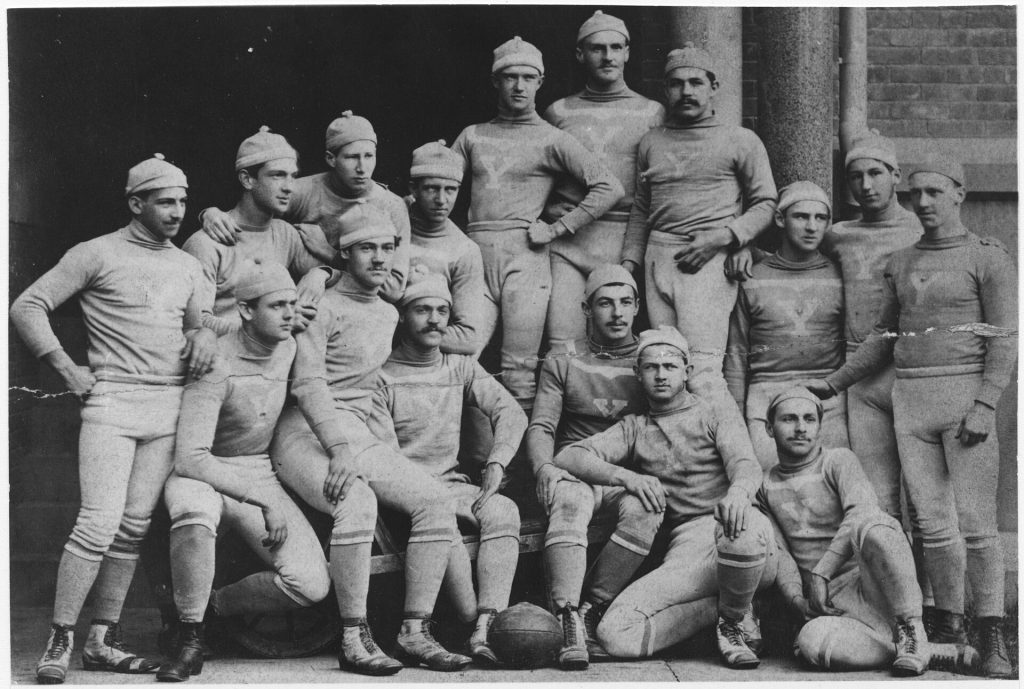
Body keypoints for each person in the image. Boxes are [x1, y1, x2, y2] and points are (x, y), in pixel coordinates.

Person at [807, 153, 1017, 677]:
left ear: (960, 194)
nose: (922, 203)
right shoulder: (900, 261)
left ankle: (991, 629)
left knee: (977, 525)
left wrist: (986, 403)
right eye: (915, 195)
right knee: (931, 523)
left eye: (934, 193)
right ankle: (948, 626)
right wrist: (832, 383)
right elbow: (883, 336)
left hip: (964, 400)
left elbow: (1006, 337)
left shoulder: (988, 257)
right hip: (911, 403)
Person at [11, 155, 217, 684]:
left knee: (131, 529)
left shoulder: (188, 265)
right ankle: (61, 639)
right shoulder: (96, 253)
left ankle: (103, 641)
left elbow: (199, 325)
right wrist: (65, 367)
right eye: (165, 201)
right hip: (112, 402)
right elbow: (27, 307)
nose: (177, 211)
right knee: (97, 521)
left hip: (168, 406)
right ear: (136, 203)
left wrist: (204, 333)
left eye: (182, 201)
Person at [270, 201, 471, 671]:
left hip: (355, 432)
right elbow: (307, 384)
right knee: (356, 501)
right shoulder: (318, 306)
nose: (379, 258)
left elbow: (368, 391)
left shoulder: (387, 311)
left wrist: (372, 448)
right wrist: (339, 451)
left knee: (434, 500)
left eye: (387, 248)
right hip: (305, 431)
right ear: (344, 253)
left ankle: (414, 631)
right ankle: (353, 636)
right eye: (366, 249)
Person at [158, 263, 384, 680]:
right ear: (245, 311)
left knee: (311, 586)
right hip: (205, 472)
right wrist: (262, 499)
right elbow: (190, 458)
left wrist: (339, 450)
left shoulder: (289, 346)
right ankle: (189, 638)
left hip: (256, 469)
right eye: (277, 305)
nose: (289, 314)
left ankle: (210, 606)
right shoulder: (215, 361)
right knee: (194, 515)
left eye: (291, 305)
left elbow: (312, 389)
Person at [554, 326, 772, 668]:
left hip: (738, 534)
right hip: (688, 548)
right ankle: (727, 611)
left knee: (742, 533)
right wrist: (626, 476)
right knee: (615, 634)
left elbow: (745, 464)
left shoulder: (714, 413)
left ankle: (732, 623)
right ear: (638, 374)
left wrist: (739, 495)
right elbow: (569, 456)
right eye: (651, 367)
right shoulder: (635, 427)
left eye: (670, 367)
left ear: (687, 372)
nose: (660, 374)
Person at [451, 35, 623, 412]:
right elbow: (440, 184)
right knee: (463, 354)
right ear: (495, 81)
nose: (518, 85)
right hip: (475, 258)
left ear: (539, 82)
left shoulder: (551, 138)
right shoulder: (472, 136)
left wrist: (558, 228)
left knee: (519, 367)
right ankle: (482, 457)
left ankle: (521, 468)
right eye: (509, 76)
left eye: (528, 77)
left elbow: (609, 186)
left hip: (525, 260)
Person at [755, 387, 978, 675]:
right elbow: (781, 552)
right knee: (813, 646)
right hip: (830, 605)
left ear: (820, 426)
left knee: (874, 524)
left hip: (874, 588)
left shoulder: (837, 461)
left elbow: (861, 511)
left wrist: (821, 572)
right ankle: (923, 651)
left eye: (809, 419)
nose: (800, 428)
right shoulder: (764, 486)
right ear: (769, 428)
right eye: (789, 419)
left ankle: (911, 631)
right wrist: (798, 600)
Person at [369, 270, 527, 664]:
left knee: (503, 509)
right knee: (453, 557)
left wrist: (496, 460)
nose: (435, 319)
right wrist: (433, 496)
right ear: (402, 317)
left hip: (454, 487)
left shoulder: (460, 367)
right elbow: (387, 459)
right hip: (409, 496)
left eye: (443, 310)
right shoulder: (381, 377)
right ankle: (470, 619)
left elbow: (510, 411)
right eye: (422, 310)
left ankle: (486, 626)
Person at [622, 42, 777, 409]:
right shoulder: (651, 142)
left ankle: (725, 457)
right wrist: (630, 264)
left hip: (707, 261)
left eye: (696, 82)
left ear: (714, 88)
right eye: (676, 84)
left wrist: (727, 238)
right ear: (666, 90)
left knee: (704, 369)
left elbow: (766, 203)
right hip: (658, 258)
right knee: (665, 364)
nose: (686, 91)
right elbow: (642, 207)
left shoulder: (739, 139)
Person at [525, 264, 658, 669]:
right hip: (574, 470)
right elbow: (542, 425)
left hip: (628, 475)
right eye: (605, 303)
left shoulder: (653, 358)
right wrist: (544, 468)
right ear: (587, 308)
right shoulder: (563, 357)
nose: (616, 313)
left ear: (637, 306)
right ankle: (566, 617)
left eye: (625, 302)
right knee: (569, 504)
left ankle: (591, 609)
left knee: (646, 509)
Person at [542, 11, 664, 351]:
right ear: (581, 54)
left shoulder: (653, 113)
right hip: (569, 244)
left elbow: (657, 190)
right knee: (564, 346)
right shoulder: (558, 112)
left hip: (624, 242)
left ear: (628, 52)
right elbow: (539, 176)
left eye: (615, 47)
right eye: (597, 48)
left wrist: (632, 258)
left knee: (623, 349)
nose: (608, 56)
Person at [200, 112, 411, 303]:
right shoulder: (299, 190)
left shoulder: (392, 206)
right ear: (330, 159)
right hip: (295, 299)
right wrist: (209, 213)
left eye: (369, 156)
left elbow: (392, 290)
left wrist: (330, 256)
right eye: (352, 157)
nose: (362, 168)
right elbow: (250, 210)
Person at [822, 131, 922, 524]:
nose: (865, 185)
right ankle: (887, 586)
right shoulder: (839, 235)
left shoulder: (918, 229)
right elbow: (798, 256)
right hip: (860, 375)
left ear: (896, 175)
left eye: (876, 173)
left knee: (923, 495)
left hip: (907, 367)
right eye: (856, 177)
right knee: (877, 495)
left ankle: (927, 589)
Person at [724, 181, 848, 470]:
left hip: (827, 399)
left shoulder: (840, 276)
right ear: (780, 219)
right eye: (801, 216)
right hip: (767, 395)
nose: (811, 227)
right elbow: (737, 354)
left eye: (820, 218)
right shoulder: (752, 276)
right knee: (769, 485)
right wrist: (736, 419)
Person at [183, 126, 335, 335]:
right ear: (247, 179)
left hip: (273, 358)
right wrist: (264, 327)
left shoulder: (285, 234)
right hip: (224, 357)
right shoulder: (207, 242)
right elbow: (196, 322)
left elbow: (345, 281)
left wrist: (320, 274)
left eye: (292, 176)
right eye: (277, 175)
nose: (289, 187)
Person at [405, 140, 487, 355]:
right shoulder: (391, 225)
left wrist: (401, 330)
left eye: (450, 190)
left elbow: (469, 337)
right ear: (413, 188)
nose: (441, 200)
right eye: (432, 188)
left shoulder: (464, 250)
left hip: (425, 356)